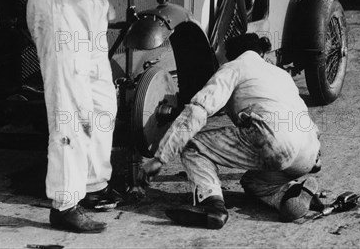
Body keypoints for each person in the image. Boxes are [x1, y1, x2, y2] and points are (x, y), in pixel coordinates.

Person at [26, 0, 157, 234]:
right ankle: (64, 204)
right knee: (70, 107)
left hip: (89, 15)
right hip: (59, 10)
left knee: (102, 103)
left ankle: (93, 186)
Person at [138, 33, 322, 229]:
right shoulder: (280, 74)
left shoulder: (234, 67)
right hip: (309, 152)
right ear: (259, 52)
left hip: (276, 141)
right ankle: (288, 196)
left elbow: (198, 111)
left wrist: (160, 157)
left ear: (229, 55)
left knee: (193, 146)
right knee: (253, 182)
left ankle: (211, 205)